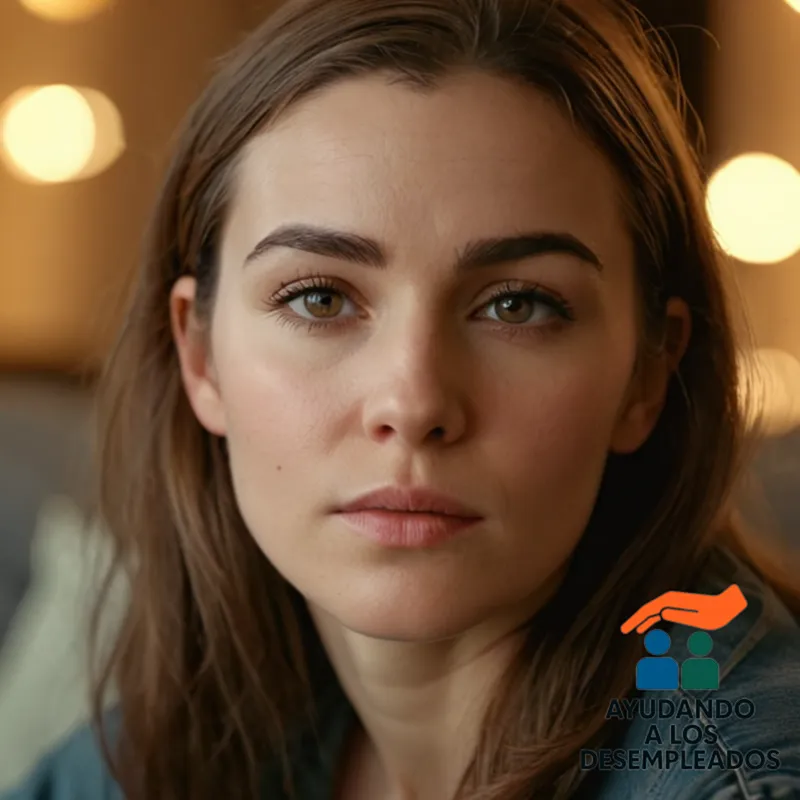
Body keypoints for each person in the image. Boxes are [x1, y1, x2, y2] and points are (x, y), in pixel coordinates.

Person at [3, 0, 800, 798]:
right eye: (319, 299)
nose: (414, 402)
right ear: (200, 354)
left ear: (647, 375)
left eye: (517, 304)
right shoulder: (150, 758)